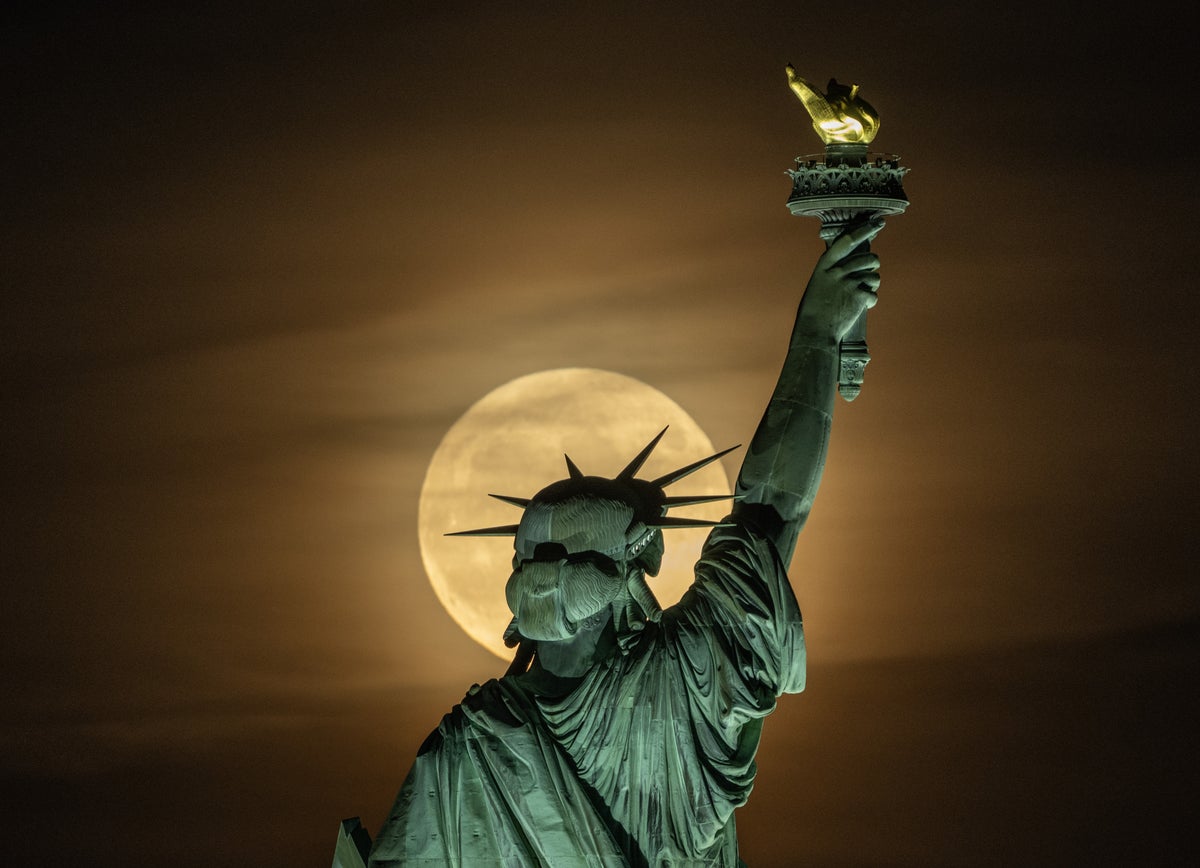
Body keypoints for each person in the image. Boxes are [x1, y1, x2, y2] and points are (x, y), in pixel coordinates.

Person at [367, 218, 885, 867]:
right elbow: (769, 514)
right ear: (636, 570)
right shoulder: (678, 687)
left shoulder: (463, 750)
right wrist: (815, 337)